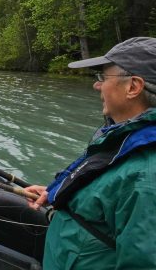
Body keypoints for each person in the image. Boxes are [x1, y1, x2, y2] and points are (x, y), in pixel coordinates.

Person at [25, 37, 156, 269]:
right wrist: (61, 193)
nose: (97, 85)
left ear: (133, 87)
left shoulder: (146, 177)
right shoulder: (122, 137)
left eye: (103, 78)